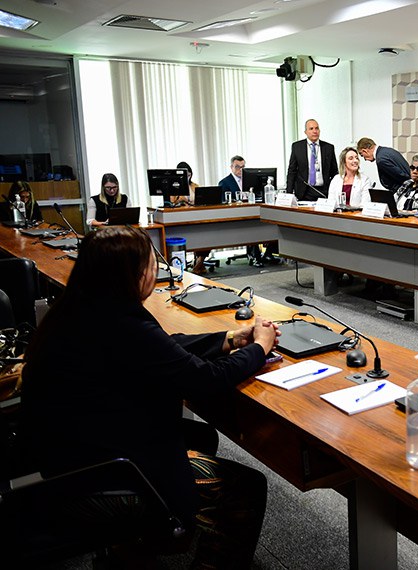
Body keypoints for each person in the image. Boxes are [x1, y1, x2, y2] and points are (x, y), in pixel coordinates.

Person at [21, 225, 279, 567]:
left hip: (65, 457)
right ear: (133, 274)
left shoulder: (82, 308)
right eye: (150, 264)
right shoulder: (122, 323)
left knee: (200, 435)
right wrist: (260, 348)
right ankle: (154, 530)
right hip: (101, 474)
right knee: (246, 488)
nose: (155, 270)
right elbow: (204, 381)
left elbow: (165, 349)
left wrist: (229, 339)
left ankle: (138, 545)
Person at [219, 156, 266, 266]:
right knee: (252, 226)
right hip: (234, 216)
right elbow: (224, 202)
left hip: (251, 212)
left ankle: (268, 254)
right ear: (231, 167)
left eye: (243, 167)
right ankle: (256, 257)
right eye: (237, 167)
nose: (240, 170)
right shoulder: (224, 183)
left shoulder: (252, 180)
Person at [286, 119, 338, 201]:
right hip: (304, 191)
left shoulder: (328, 148)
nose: (315, 131)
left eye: (317, 128)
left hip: (324, 191)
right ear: (305, 132)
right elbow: (292, 171)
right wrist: (288, 193)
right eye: (311, 129)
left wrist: (335, 191)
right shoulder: (297, 147)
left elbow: (334, 172)